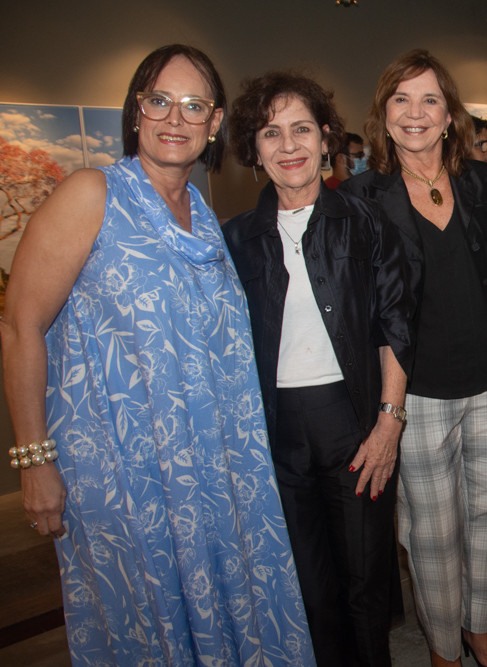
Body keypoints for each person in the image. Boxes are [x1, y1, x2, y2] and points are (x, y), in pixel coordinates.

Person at [1, 45, 315, 665]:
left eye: (194, 105)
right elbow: (19, 327)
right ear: (137, 110)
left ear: (216, 122)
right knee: (145, 626)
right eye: (159, 100)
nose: (176, 118)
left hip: (211, 473)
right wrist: (34, 460)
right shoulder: (92, 194)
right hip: (123, 474)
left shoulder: (203, 217)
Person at [223, 72, 415, 667]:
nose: (288, 145)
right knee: (309, 592)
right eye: (271, 133)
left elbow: (395, 329)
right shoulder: (234, 240)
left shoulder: (368, 220)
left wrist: (389, 424)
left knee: (365, 588)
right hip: (276, 435)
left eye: (301, 129)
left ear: (326, 138)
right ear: (253, 151)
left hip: (354, 422)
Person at [340, 50, 487, 667]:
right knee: (433, 536)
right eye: (401, 100)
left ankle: (480, 628)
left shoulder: (482, 180)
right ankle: (445, 649)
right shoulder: (362, 196)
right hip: (416, 394)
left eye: (430, 100)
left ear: (450, 116)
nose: (415, 113)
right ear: (384, 115)